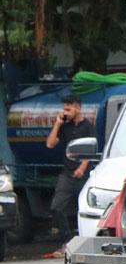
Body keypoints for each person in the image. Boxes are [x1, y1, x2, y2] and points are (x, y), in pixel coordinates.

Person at [45, 92, 95, 254]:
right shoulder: (65, 126)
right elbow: (50, 144)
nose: (66, 112)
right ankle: (67, 239)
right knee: (57, 206)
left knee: (84, 208)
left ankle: (85, 240)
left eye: (69, 108)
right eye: (64, 109)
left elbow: (91, 149)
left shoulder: (88, 126)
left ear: (78, 108)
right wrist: (58, 124)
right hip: (67, 172)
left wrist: (82, 167)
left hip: (83, 173)